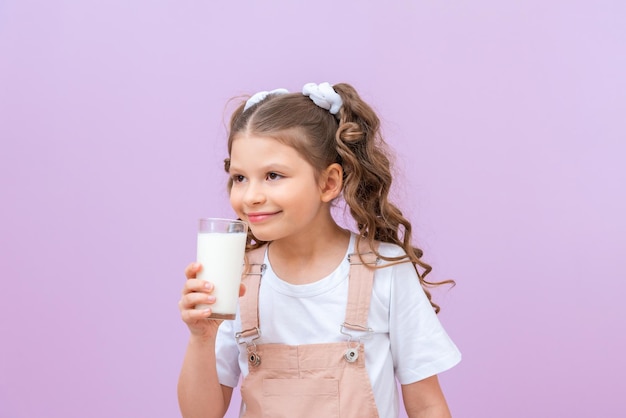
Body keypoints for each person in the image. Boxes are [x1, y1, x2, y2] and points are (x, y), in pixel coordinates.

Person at [178, 82, 461, 418]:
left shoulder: (384, 269)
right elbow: (200, 414)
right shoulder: (235, 279)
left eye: (272, 175)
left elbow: (427, 405)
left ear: (328, 183)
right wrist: (201, 338)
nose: (250, 196)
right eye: (239, 178)